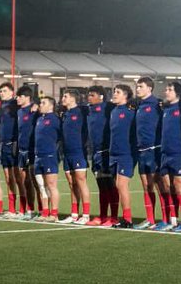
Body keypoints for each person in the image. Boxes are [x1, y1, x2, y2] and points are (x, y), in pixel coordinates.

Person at [157, 80, 181, 231]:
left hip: (179, 152)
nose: (166, 92)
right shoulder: (166, 109)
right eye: (166, 89)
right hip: (165, 153)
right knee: (168, 186)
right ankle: (172, 220)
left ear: (177, 93)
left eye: (170, 89)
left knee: (180, 187)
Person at [135, 77, 165, 229]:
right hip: (141, 151)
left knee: (159, 184)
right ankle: (150, 219)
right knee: (146, 186)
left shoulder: (157, 104)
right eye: (137, 86)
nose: (137, 89)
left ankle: (165, 219)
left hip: (154, 150)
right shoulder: (138, 105)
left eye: (140, 86)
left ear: (149, 88)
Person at [59, 88, 91, 224]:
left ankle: (86, 214)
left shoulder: (81, 111)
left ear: (73, 98)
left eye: (65, 96)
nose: (63, 98)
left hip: (78, 152)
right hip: (67, 153)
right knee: (72, 184)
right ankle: (73, 214)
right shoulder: (65, 114)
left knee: (81, 182)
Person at [108, 84, 138, 229]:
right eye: (114, 91)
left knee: (122, 185)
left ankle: (128, 219)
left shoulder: (131, 111)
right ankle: (123, 217)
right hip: (114, 153)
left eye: (118, 92)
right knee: (117, 186)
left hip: (126, 153)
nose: (114, 94)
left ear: (126, 96)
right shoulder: (113, 111)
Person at [86, 85, 113, 225]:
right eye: (89, 95)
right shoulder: (88, 110)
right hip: (95, 153)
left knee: (110, 185)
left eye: (92, 95)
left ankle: (113, 217)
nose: (89, 97)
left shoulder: (108, 108)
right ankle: (103, 216)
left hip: (106, 153)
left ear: (101, 97)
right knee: (101, 186)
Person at [32, 96, 61, 221]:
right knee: (41, 186)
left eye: (43, 103)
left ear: (51, 106)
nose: (40, 105)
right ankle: (45, 212)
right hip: (38, 157)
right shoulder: (39, 119)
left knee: (51, 185)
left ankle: (54, 214)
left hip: (49, 156)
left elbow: (61, 136)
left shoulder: (55, 119)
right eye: (40, 102)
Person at [14, 85, 39, 220]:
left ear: (27, 97)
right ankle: (29, 209)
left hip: (32, 151)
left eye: (20, 96)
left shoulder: (35, 110)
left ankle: (41, 210)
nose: (17, 99)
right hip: (21, 151)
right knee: (24, 182)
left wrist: (38, 107)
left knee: (36, 182)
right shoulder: (19, 112)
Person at [0, 82, 20, 215]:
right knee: (7, 177)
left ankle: (24, 209)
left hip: (13, 144)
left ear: (12, 92)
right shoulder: (2, 106)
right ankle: (11, 208)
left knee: (18, 177)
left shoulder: (15, 104)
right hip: (3, 144)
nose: (2, 93)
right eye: (0, 91)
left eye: (4, 91)